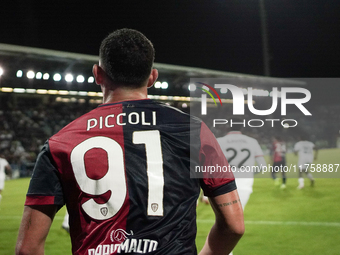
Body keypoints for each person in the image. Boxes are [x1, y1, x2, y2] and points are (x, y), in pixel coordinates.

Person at [16, 28, 244, 255]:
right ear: (153, 77)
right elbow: (233, 226)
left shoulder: (60, 142)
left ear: (97, 74)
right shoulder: (195, 131)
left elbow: (27, 248)